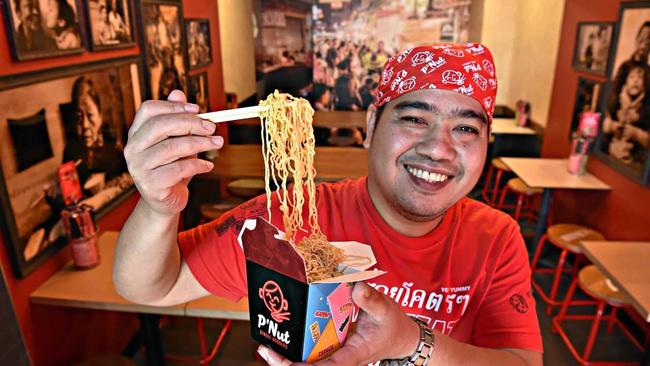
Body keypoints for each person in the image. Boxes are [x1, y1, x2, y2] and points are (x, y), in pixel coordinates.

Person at [114, 43, 542, 366]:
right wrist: (157, 207)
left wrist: (411, 342)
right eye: (414, 118)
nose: (439, 149)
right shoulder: (291, 218)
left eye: (465, 128)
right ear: (372, 125)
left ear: (487, 144)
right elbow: (152, 287)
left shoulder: (496, 237)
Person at [63, 76, 126, 184]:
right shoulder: (70, 152)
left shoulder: (113, 145)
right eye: (79, 117)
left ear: (100, 115)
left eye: (90, 115)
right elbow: (68, 186)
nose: (85, 125)